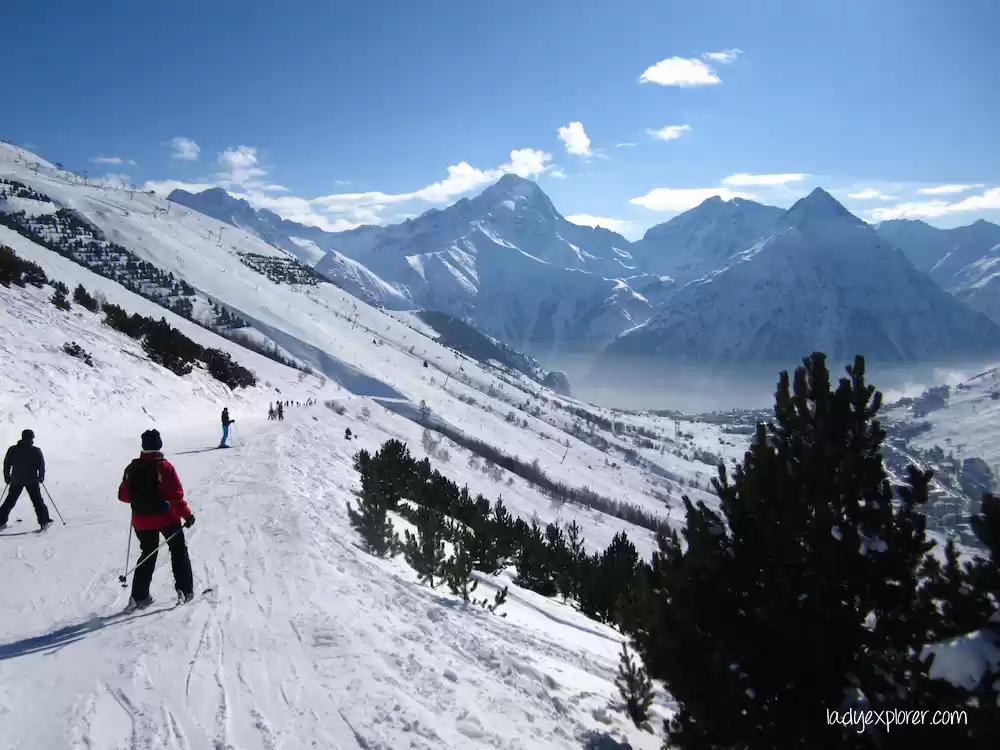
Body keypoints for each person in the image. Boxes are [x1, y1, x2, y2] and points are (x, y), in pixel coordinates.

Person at [118, 429, 195, 609]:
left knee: (147, 554)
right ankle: (184, 590)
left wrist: (141, 498)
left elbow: (123, 496)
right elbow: (176, 496)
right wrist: (187, 515)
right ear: (159, 445)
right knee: (178, 551)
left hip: (141, 520)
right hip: (166, 518)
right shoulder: (165, 467)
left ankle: (139, 596)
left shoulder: (132, 467)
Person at [0, 429, 52, 531]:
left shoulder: (13, 449)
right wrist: (41, 476)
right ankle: (44, 522)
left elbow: (7, 464)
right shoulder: (36, 451)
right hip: (32, 480)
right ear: (31, 438)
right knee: (37, 502)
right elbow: (41, 465)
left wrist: (7, 476)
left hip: (16, 480)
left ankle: (0, 522)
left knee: (9, 502)